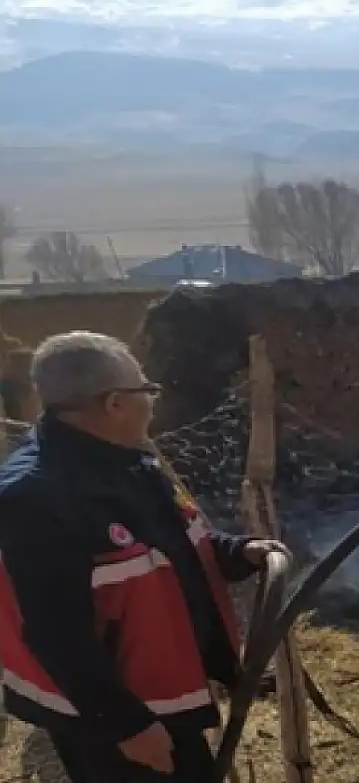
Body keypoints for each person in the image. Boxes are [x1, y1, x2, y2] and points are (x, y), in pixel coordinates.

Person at [0, 332, 286, 782]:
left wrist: (238, 552)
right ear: (115, 403)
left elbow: (176, 544)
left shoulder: (127, 463)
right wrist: (127, 727)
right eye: (146, 391)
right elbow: (55, 634)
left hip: (163, 696)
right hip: (116, 716)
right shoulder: (37, 499)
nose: (151, 402)